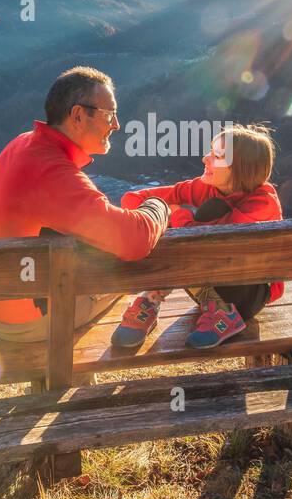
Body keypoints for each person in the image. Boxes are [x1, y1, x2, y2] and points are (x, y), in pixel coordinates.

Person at [0, 66, 169, 342]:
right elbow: (134, 240)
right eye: (110, 114)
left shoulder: (24, 144)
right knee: (127, 268)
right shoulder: (53, 173)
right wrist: (158, 206)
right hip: (24, 321)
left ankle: (83, 375)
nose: (117, 124)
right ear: (77, 115)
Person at [111, 124, 282, 349]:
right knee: (158, 214)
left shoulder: (262, 203)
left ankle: (153, 297)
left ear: (240, 169)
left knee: (208, 211)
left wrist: (177, 214)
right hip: (203, 282)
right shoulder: (203, 186)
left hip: (249, 293)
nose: (205, 158)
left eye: (217, 156)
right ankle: (165, 298)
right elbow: (133, 199)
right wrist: (163, 214)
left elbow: (213, 245)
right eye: (210, 151)